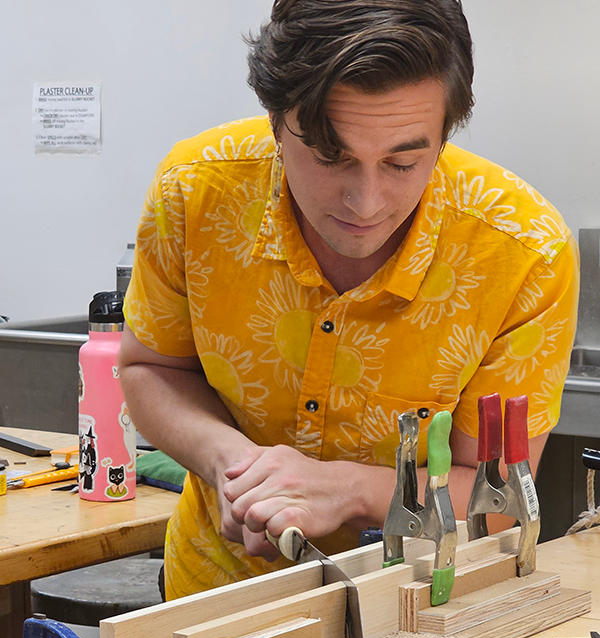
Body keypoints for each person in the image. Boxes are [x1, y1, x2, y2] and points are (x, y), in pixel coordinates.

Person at [119, 0, 579, 601]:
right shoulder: (195, 192)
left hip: (418, 609)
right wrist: (236, 468)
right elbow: (150, 366)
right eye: (330, 157)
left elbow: (495, 500)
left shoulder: (521, 253)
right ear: (276, 120)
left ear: (446, 134)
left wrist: (351, 490)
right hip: (212, 592)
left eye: (403, 162)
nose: (366, 203)